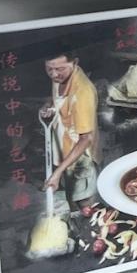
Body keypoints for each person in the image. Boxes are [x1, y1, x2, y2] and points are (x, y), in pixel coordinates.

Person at [40, 53, 98, 206]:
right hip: (64, 149)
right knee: (70, 198)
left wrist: (57, 173)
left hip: (81, 156)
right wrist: (49, 106)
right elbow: (56, 98)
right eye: (49, 69)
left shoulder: (82, 92)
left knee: (85, 205)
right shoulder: (60, 77)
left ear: (75, 62)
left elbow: (86, 139)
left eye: (60, 69)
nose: (54, 74)